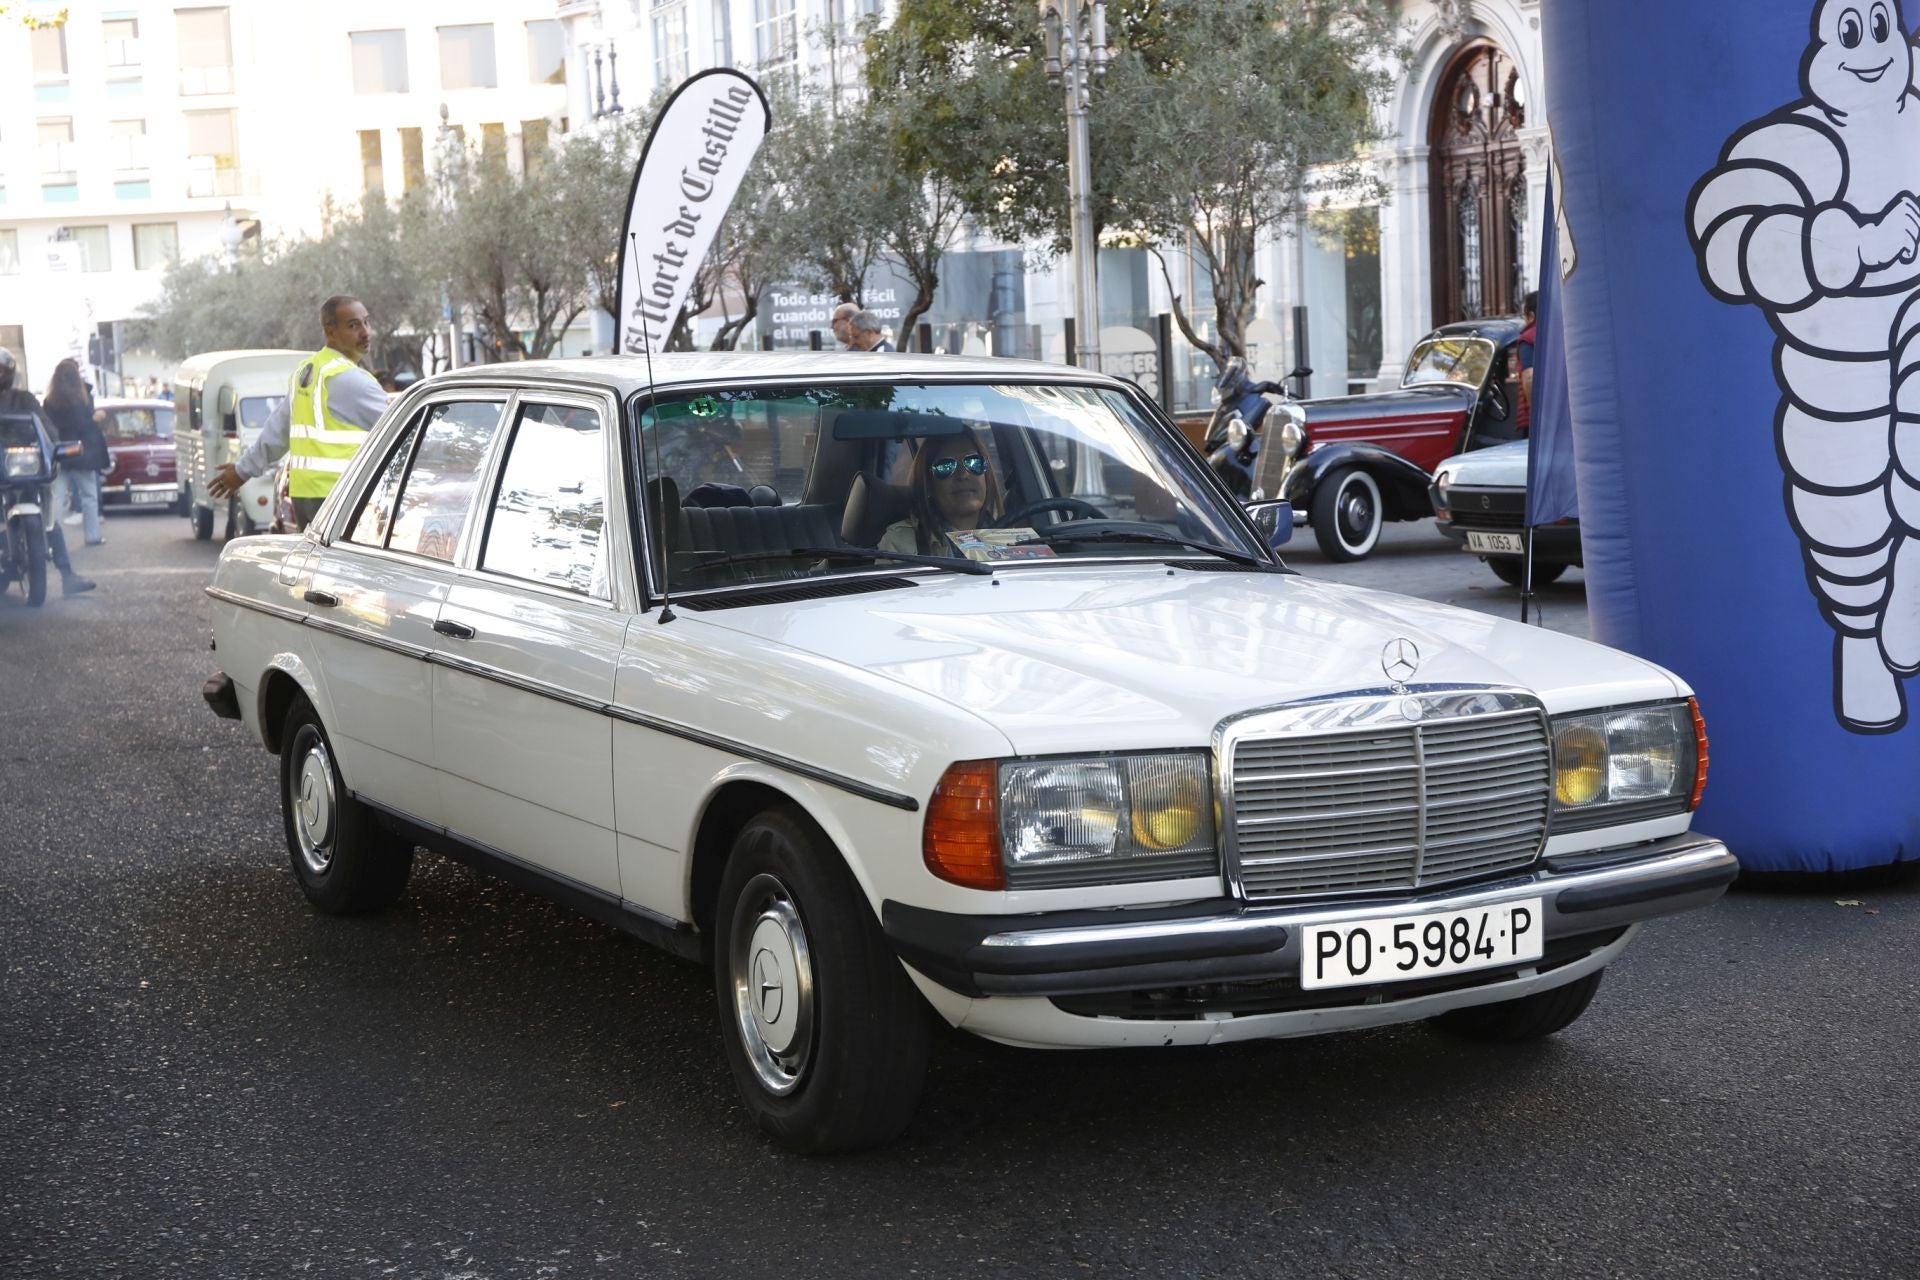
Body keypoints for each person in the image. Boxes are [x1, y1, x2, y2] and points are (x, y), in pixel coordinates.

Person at [211, 295, 386, 530]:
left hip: (306, 496)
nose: (365, 333)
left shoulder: (308, 371)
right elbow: (406, 433)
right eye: (353, 326)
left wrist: (243, 470)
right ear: (330, 332)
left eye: (366, 322)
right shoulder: (351, 381)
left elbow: (278, 430)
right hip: (341, 496)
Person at [0, 348, 93, 595]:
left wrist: (54, 446)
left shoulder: (24, 399)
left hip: (23, 466)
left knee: (47, 517)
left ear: (10, 373)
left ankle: (67, 576)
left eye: (1, 370)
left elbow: (44, 425)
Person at [878, 428, 1002, 556]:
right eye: (945, 466)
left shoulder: (1013, 536)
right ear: (929, 484)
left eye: (974, 462)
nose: (963, 474)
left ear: (986, 476)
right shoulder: (901, 543)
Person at [43, 359, 110, 547]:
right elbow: (83, 426)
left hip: (59, 453)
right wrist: (95, 418)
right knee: (89, 495)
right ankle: (92, 535)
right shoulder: (83, 398)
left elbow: (48, 427)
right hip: (82, 453)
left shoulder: (49, 401)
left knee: (56, 497)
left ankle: (51, 541)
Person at [1511, 290, 1538, 434]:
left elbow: (1530, 377)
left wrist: (1537, 416)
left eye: (1524, 316)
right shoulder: (1562, 332)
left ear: (1531, 315)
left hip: (1534, 420)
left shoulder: (1528, 338)